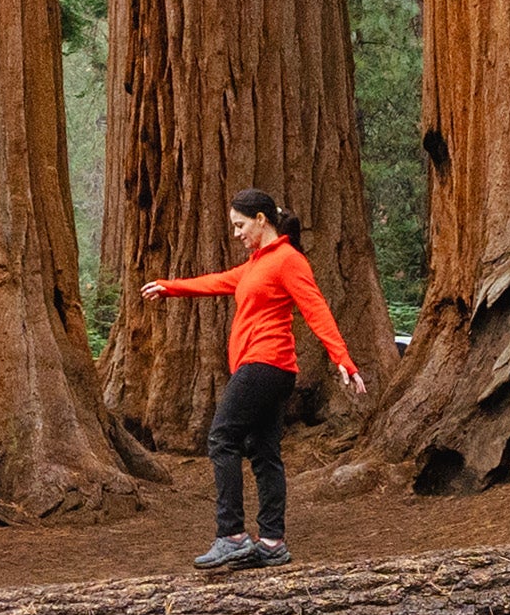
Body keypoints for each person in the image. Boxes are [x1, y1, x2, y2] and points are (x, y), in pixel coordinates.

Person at [142, 188, 368, 571]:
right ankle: (272, 542)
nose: (236, 233)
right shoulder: (255, 265)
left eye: (240, 225)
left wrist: (342, 358)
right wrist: (170, 287)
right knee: (264, 454)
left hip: (265, 365)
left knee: (221, 437)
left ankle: (230, 535)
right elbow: (216, 282)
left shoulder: (287, 260)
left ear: (262, 220)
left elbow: (316, 309)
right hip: (270, 369)